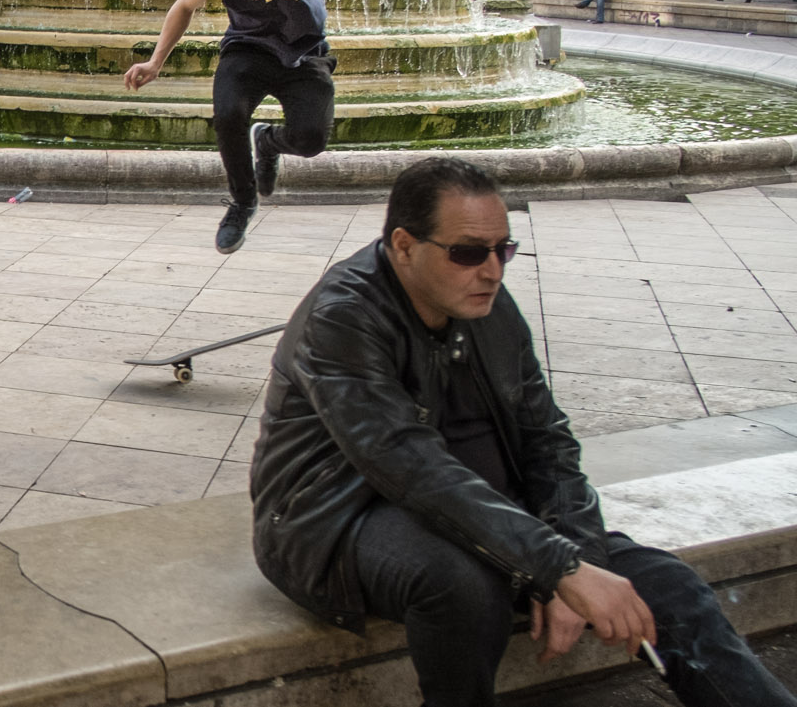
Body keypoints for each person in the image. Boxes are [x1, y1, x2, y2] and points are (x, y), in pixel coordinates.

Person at [249, 157, 797, 707]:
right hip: (337, 519)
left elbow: (547, 441)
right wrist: (556, 567)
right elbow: (406, 463)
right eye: (467, 252)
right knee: (463, 587)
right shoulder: (344, 315)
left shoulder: (487, 303)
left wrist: (577, 559)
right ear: (404, 245)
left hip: (492, 514)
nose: (491, 270)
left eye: (502, 250)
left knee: (668, 586)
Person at [123, 0, 474, 254]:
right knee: (228, 114)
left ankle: (267, 141)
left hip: (306, 51)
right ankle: (243, 203)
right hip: (248, 49)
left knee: (311, 141)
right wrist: (156, 61)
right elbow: (184, 6)